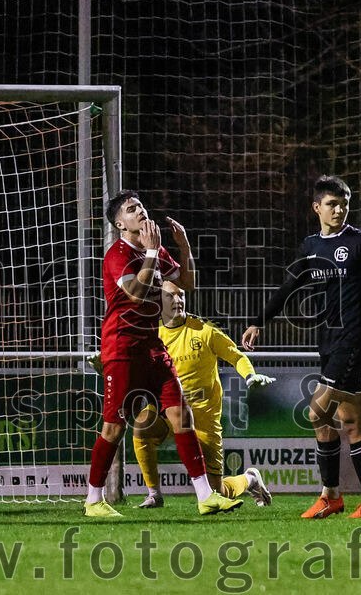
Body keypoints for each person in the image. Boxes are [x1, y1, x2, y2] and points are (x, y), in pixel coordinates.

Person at [241, 175, 361, 519]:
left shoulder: (360, 243)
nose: (339, 209)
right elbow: (289, 286)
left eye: (344, 203)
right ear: (317, 207)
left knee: (316, 413)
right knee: (351, 420)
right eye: (332, 204)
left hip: (353, 342)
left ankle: (330, 493)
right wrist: (260, 320)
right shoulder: (311, 247)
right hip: (329, 343)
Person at [85, 190, 242, 517]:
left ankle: (205, 497)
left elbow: (186, 282)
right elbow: (137, 293)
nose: (140, 211)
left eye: (140, 205)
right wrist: (154, 252)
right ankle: (93, 500)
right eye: (132, 209)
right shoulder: (117, 254)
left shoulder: (154, 251)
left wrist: (183, 246)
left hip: (154, 348)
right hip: (122, 348)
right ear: (120, 224)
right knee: (114, 428)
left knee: (180, 415)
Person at [128, 281, 276, 508]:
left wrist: (249, 376)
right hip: (169, 411)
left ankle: (250, 479)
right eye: (171, 296)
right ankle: (154, 494)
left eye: (181, 295)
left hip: (204, 420)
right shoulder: (152, 334)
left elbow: (236, 356)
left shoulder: (204, 330)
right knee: (142, 425)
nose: (178, 300)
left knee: (219, 492)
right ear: (159, 301)